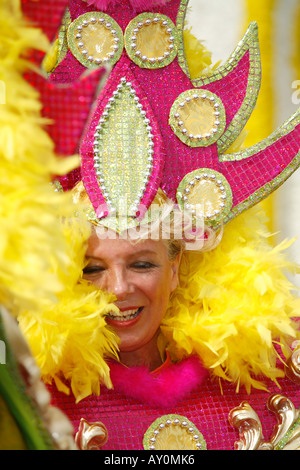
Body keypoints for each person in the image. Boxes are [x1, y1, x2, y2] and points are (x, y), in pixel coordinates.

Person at [18, 0, 300, 450]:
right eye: (92, 268)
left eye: (142, 264)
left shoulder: (274, 377)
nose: (117, 289)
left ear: (176, 265)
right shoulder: (27, 396)